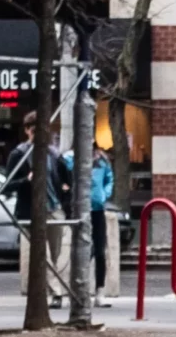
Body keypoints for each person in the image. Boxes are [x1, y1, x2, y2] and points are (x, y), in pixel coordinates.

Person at [6, 112, 71, 309]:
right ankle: (56, 292)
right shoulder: (19, 154)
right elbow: (8, 185)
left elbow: (66, 178)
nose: (37, 135)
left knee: (56, 252)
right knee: (42, 254)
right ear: (26, 131)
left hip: (54, 208)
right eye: (33, 130)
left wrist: (66, 191)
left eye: (40, 130)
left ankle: (50, 289)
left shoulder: (53, 154)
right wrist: (26, 180)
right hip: (31, 211)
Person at [63, 140, 115, 308]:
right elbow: (66, 178)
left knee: (99, 250)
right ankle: (80, 289)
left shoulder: (101, 161)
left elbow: (109, 180)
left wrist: (104, 195)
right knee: (82, 250)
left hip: (97, 209)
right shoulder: (71, 160)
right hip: (80, 209)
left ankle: (100, 290)